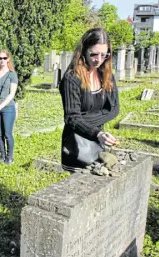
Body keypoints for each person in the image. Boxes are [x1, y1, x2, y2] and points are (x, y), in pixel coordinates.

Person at [59, 28, 119, 172]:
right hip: (77, 145)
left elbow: (114, 108)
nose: (98, 59)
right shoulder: (72, 78)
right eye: (94, 54)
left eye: (104, 55)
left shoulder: (106, 75)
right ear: (84, 50)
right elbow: (72, 118)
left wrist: (88, 123)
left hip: (99, 141)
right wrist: (96, 132)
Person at [0, 50, 18, 165]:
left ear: (8, 59)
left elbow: (11, 94)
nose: (2, 60)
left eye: (4, 58)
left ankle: (10, 157)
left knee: (7, 134)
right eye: (0, 58)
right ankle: (2, 155)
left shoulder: (12, 74)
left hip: (8, 108)